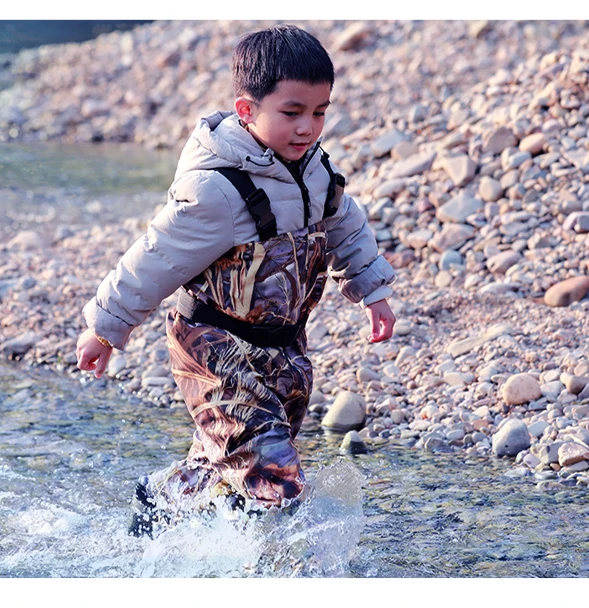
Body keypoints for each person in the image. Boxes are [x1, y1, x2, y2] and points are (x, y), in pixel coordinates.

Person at [76, 24, 397, 536]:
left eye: (319, 112)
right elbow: (154, 258)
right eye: (291, 112)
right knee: (273, 472)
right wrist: (106, 327)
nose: (307, 127)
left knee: (227, 463)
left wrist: (371, 291)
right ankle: (286, 570)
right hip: (212, 346)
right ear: (246, 111)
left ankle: (159, 503)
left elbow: (346, 225)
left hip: (283, 349)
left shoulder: (314, 171)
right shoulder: (216, 192)